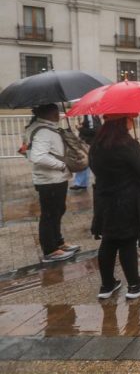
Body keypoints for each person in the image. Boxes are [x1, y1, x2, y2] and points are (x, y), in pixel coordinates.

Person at [89, 114, 140, 299]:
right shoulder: (127, 144)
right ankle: (135, 285)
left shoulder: (97, 145)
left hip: (105, 200)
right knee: (127, 240)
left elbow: (94, 168)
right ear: (123, 121)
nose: (132, 121)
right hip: (126, 200)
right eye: (130, 118)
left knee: (108, 240)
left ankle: (107, 285)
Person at [24, 104, 80, 263]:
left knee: (57, 211)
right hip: (50, 180)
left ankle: (58, 242)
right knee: (50, 214)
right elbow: (38, 156)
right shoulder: (43, 131)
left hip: (54, 179)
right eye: (56, 112)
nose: (58, 114)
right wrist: (61, 165)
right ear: (48, 113)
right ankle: (50, 250)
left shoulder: (43, 127)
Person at [70, 115, 101, 191]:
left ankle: (82, 183)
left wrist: (80, 129)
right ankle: (81, 183)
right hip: (90, 142)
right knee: (85, 161)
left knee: (87, 161)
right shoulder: (93, 115)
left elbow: (95, 130)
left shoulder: (90, 115)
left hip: (89, 143)